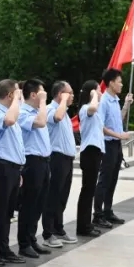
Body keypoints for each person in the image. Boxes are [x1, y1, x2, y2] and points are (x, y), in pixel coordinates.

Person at [0, 80, 25, 267]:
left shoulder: (12, 113)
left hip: (13, 167)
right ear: (10, 95)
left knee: (7, 213)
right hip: (1, 167)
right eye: (17, 93)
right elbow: (8, 121)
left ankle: (3, 247)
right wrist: (17, 99)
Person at [92, 68, 133, 228]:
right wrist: (119, 135)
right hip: (108, 144)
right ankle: (98, 214)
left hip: (116, 145)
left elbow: (118, 120)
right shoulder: (103, 102)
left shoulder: (115, 100)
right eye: (119, 82)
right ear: (111, 83)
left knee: (113, 178)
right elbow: (100, 126)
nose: (121, 84)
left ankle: (108, 210)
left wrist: (126, 105)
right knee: (104, 179)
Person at [16, 79, 51, 259]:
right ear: (33, 94)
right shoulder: (23, 112)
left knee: (39, 203)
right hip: (32, 161)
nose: (45, 96)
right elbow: (41, 123)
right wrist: (43, 101)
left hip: (44, 161)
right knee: (29, 204)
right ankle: (24, 243)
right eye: (42, 93)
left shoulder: (39, 111)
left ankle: (31, 238)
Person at [41, 81, 78, 246]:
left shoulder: (65, 112)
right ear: (60, 94)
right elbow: (56, 117)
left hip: (67, 159)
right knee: (53, 196)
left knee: (62, 196)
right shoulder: (51, 109)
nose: (72, 96)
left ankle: (58, 228)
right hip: (56, 158)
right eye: (69, 93)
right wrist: (63, 100)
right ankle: (48, 233)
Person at [76, 80, 104, 238]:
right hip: (89, 152)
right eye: (98, 90)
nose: (100, 93)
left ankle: (86, 223)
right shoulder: (86, 108)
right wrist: (94, 95)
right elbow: (93, 107)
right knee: (87, 190)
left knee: (90, 190)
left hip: (95, 152)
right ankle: (83, 226)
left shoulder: (93, 109)